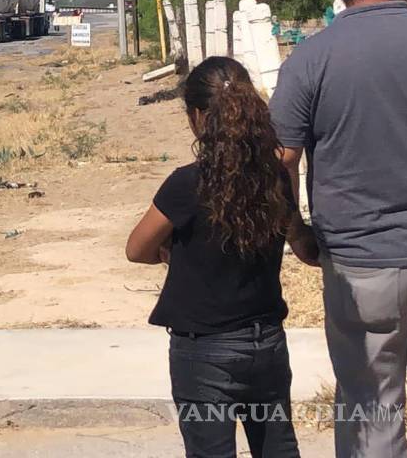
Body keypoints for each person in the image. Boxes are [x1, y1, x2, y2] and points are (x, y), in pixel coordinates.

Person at [271, 0, 407, 457]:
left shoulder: (310, 60)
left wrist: (298, 235)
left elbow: (280, 162)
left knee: (370, 409)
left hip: (361, 267)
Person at [127, 57, 318, 458]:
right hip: (265, 341)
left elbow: (136, 249)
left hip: (204, 351)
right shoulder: (275, 177)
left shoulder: (186, 183)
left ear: (197, 117)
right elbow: (299, 241)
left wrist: (169, 254)